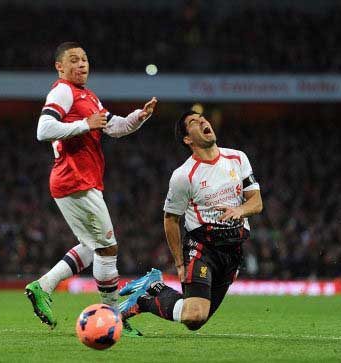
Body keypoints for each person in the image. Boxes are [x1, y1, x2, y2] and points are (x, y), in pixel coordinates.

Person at [25, 42, 157, 333]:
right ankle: (114, 318)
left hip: (80, 181)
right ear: (60, 67)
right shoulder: (63, 91)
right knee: (107, 248)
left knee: (90, 247)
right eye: (74, 60)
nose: (82, 64)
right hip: (75, 180)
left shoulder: (89, 97)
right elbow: (43, 130)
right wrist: (85, 124)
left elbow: (116, 127)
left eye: (85, 59)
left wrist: (139, 116)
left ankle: (42, 285)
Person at [119, 110, 262, 332]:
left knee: (195, 321)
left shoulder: (237, 158)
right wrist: (179, 263)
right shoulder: (183, 175)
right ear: (187, 139)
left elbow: (257, 202)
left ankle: (153, 287)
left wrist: (239, 210)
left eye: (203, 118)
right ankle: (143, 301)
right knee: (194, 314)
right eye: (195, 122)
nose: (203, 121)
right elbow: (170, 219)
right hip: (202, 248)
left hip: (233, 250)